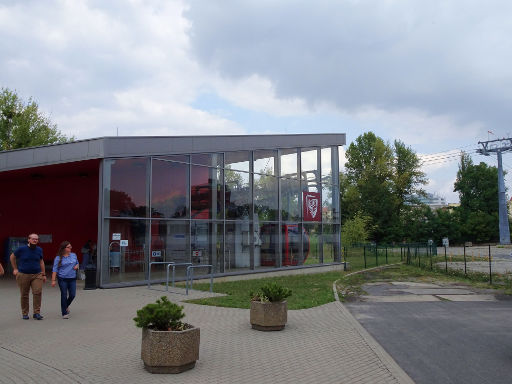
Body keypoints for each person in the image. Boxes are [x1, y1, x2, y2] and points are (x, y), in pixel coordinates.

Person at [10, 233, 46, 320]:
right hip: (23, 274)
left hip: (37, 274)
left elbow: (41, 262)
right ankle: (25, 313)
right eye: (33, 239)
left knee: (37, 292)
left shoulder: (39, 250)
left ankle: (36, 313)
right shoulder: (21, 249)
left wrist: (43, 274)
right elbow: (12, 257)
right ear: (28, 240)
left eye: (36, 239)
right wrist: (15, 269)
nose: (35, 240)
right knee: (24, 294)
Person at [51, 241, 79, 319]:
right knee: (64, 294)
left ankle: (66, 305)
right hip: (62, 278)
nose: (70, 248)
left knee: (72, 295)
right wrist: (53, 280)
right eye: (68, 247)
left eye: (71, 247)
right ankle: (64, 312)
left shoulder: (74, 255)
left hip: (72, 278)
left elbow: (77, 263)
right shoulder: (58, 258)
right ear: (64, 248)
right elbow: (55, 269)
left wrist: (77, 266)